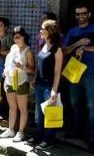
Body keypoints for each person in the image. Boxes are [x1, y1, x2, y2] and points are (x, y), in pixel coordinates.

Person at [63, 4, 94, 150]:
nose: (80, 16)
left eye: (83, 14)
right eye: (77, 14)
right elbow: (64, 51)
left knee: (92, 106)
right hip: (74, 71)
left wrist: (86, 48)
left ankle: (92, 137)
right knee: (75, 103)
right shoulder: (72, 31)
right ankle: (77, 131)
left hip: (91, 73)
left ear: (89, 14)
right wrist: (78, 43)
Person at [30, 20, 63, 150]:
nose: (40, 31)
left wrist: (54, 90)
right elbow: (40, 65)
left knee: (49, 113)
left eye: (42, 29)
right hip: (39, 84)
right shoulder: (43, 45)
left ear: (50, 31)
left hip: (49, 86)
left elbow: (57, 72)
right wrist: (34, 79)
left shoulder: (57, 49)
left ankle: (48, 140)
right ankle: (38, 136)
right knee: (40, 113)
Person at [0, 26, 35, 142]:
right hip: (10, 81)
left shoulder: (28, 51)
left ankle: (21, 132)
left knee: (23, 108)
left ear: (23, 37)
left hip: (21, 81)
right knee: (12, 107)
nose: (15, 40)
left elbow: (32, 69)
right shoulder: (14, 47)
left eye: (17, 37)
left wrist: (22, 67)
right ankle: (10, 129)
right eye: (14, 37)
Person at [0, 16, 13, 119]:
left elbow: (12, 51)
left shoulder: (8, 38)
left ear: (5, 27)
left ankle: (3, 112)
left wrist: (0, 52)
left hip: (5, 68)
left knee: (3, 90)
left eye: (0, 26)